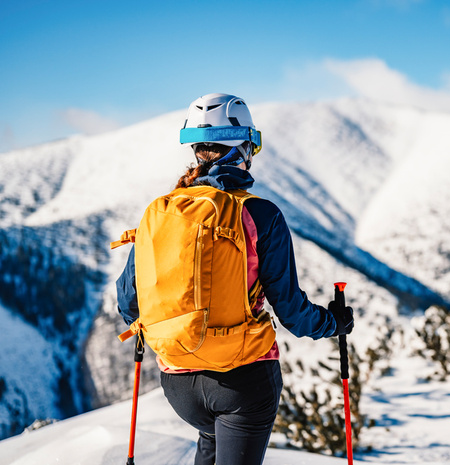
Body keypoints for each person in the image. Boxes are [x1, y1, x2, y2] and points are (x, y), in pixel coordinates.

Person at [116, 93, 354, 465]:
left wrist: (179, 335)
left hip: (178, 384)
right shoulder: (260, 214)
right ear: (243, 146)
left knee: (209, 444)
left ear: (196, 149)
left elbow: (128, 301)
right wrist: (333, 323)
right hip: (243, 383)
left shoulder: (161, 212)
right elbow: (292, 313)